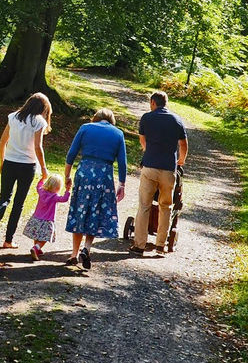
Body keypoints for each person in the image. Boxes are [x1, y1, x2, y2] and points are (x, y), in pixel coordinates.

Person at [0, 93, 51, 249]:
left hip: (10, 163)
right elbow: (38, 147)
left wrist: (2, 161)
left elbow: (2, 142)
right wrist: (44, 169)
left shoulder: (13, 117)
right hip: (27, 166)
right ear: (42, 108)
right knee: (18, 203)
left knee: (4, 197)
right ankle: (8, 240)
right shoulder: (39, 121)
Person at [64, 108, 127, 271]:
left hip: (84, 172)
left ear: (95, 118)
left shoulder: (85, 128)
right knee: (96, 211)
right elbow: (122, 163)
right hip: (104, 175)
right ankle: (87, 248)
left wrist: (67, 176)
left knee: (80, 209)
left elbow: (71, 154)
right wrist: (122, 184)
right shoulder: (118, 134)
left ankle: (73, 254)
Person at [129, 91, 188, 258]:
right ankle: (160, 246)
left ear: (153, 103)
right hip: (169, 169)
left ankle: (139, 245)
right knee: (166, 207)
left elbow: (143, 140)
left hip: (150, 167)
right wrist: (181, 160)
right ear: (166, 103)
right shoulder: (176, 120)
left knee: (144, 205)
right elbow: (183, 144)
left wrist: (149, 151)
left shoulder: (147, 118)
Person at [21, 172, 71, 259]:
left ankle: (37, 248)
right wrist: (67, 190)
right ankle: (36, 247)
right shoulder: (55, 196)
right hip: (47, 221)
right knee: (45, 238)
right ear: (58, 187)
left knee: (37, 234)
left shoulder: (41, 192)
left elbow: (38, 186)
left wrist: (42, 178)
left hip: (36, 218)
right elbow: (64, 199)